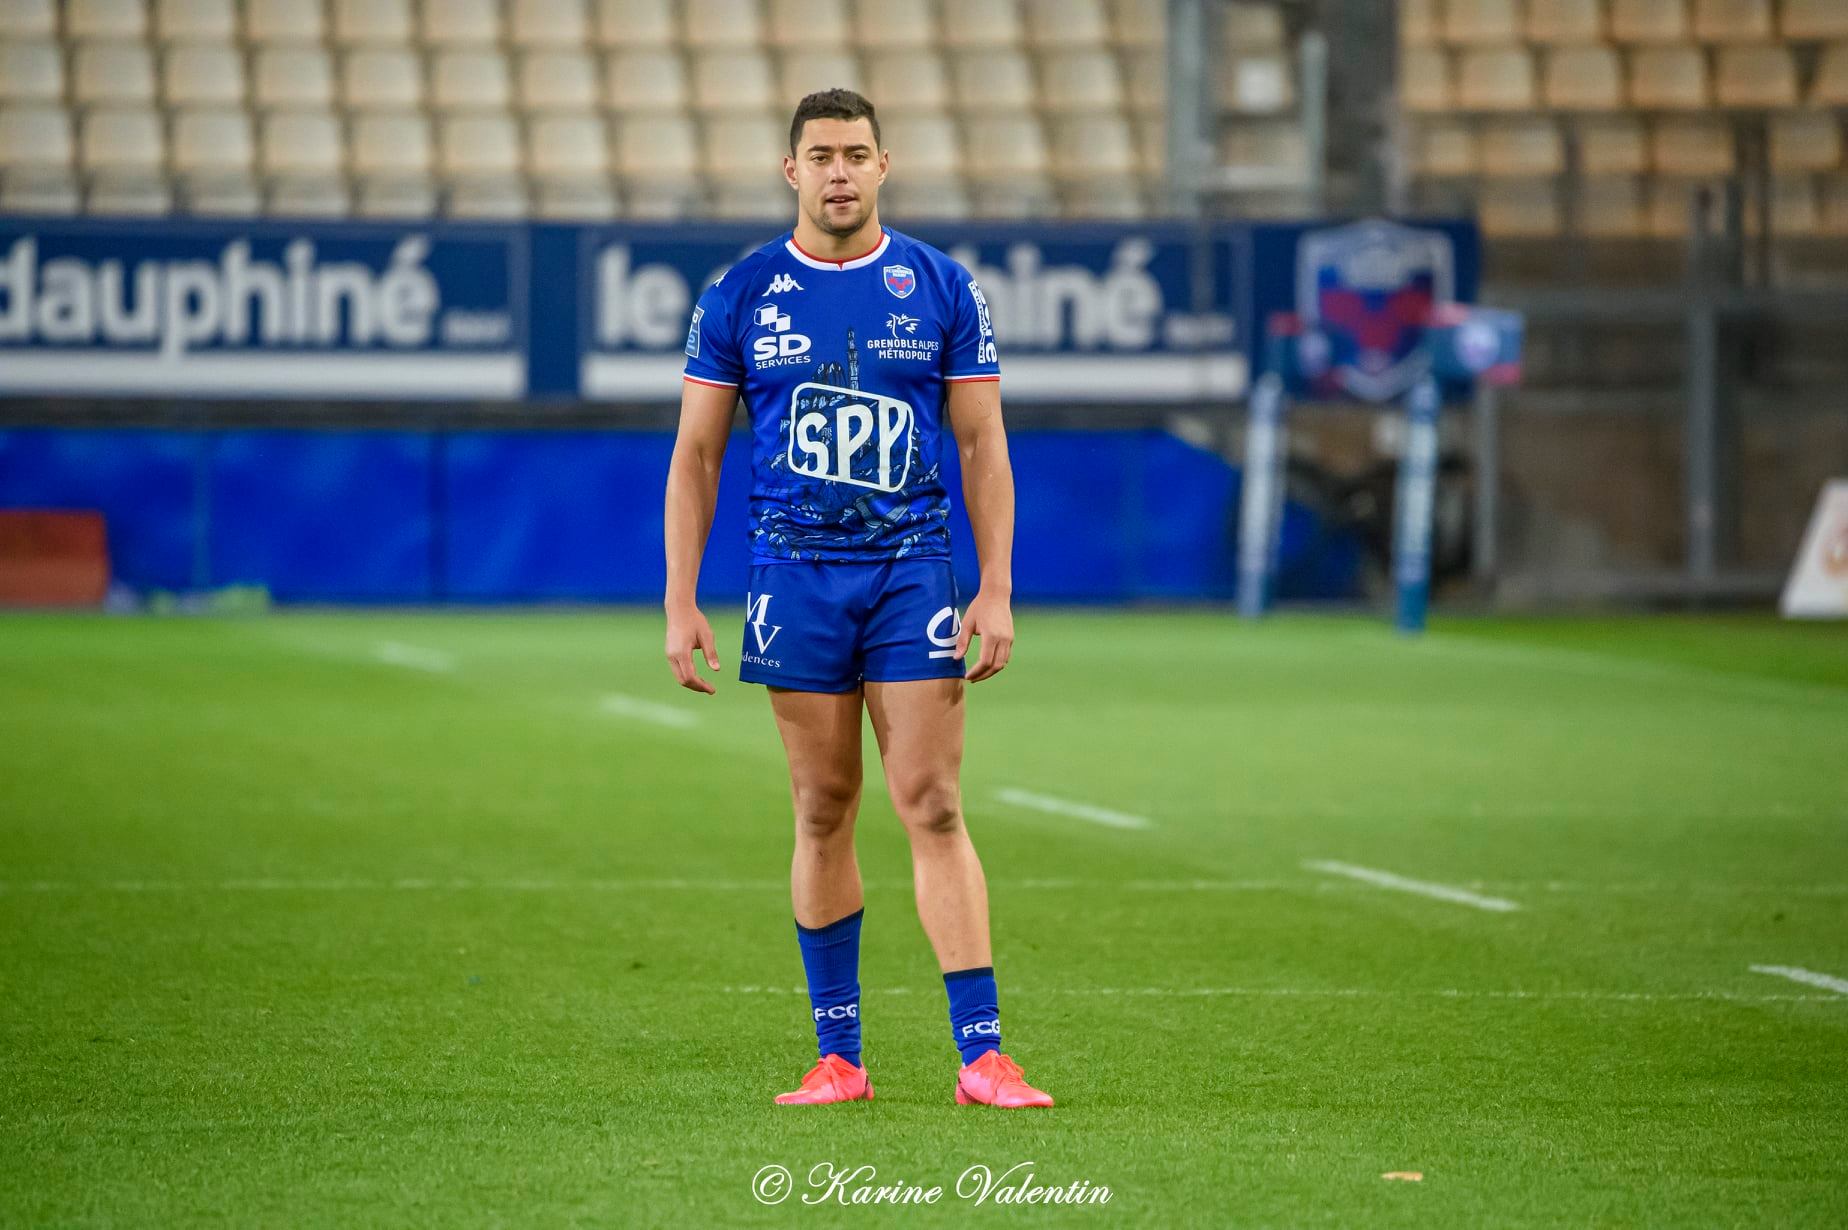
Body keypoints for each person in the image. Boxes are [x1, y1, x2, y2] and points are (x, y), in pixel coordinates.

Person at [661, 89, 1052, 1109]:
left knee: (932, 800)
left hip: (912, 570)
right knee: (822, 807)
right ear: (791, 171)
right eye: (821, 155)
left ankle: (983, 1057)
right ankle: (839, 1057)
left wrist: (997, 588)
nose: (839, 172)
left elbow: (983, 445)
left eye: (856, 154)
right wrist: (681, 599)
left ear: (887, 165)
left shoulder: (939, 286)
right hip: (790, 576)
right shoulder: (742, 292)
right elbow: (697, 455)